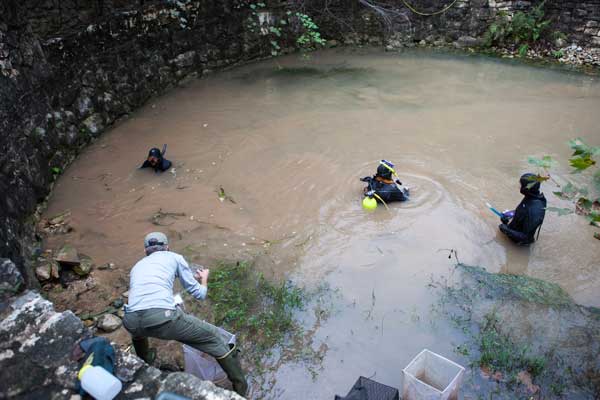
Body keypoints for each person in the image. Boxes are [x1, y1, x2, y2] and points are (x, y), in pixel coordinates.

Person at [122, 232, 247, 396]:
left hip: (130, 320)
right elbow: (199, 294)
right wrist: (203, 279)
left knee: (139, 330)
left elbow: (153, 287)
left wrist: (185, 276)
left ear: (146, 251)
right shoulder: (174, 257)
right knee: (215, 337)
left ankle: (145, 360)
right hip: (162, 318)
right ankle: (241, 388)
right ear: (167, 247)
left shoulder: (137, 267)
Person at [498, 173, 546, 245]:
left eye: (520, 185)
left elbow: (526, 237)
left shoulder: (535, 211)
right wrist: (509, 215)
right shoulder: (532, 196)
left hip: (519, 244)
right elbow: (523, 210)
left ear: (526, 188)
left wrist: (506, 230)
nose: (518, 187)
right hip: (514, 229)